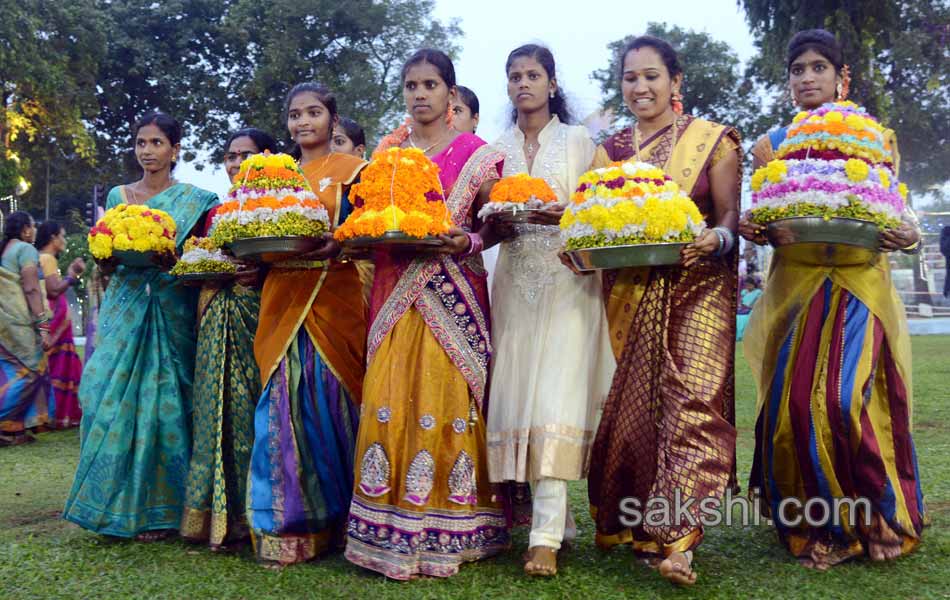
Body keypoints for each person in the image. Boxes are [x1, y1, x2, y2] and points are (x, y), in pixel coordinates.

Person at [740, 29, 925, 570]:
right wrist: (758, 229)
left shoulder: (875, 137)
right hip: (796, 287)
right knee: (796, 405)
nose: (807, 78)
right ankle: (825, 525)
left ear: (842, 77)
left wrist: (908, 235)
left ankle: (881, 515)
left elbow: (898, 209)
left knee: (849, 400)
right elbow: (767, 217)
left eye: (819, 67)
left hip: (859, 283)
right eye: (798, 69)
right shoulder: (770, 145)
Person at [344, 49, 509, 580]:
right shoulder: (386, 159)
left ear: (451, 95)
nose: (420, 94)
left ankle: (457, 526)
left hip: (454, 285)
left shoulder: (476, 154)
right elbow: (368, 221)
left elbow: (496, 223)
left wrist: (469, 239)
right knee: (389, 394)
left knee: (446, 395)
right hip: (394, 291)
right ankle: (384, 526)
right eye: (412, 85)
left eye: (430, 85)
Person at [586, 35, 741, 586]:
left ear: (675, 82)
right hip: (630, 288)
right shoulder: (611, 149)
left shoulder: (713, 141)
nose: (640, 87)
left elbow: (728, 219)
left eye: (651, 76)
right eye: (630, 77)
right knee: (641, 410)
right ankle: (645, 525)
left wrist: (714, 243)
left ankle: (680, 542)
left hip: (699, 285)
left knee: (693, 402)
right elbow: (593, 220)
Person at [486, 44, 615, 577]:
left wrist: (568, 212)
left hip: (568, 284)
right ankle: (556, 522)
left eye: (533, 75)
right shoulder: (495, 149)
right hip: (515, 284)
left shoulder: (582, 141)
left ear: (552, 83)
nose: (523, 84)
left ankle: (544, 538)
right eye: (514, 76)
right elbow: (482, 221)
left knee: (554, 404)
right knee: (521, 405)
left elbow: (607, 206)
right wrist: (497, 219)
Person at [63, 112, 218, 539]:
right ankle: (111, 503)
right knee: (104, 396)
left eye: (156, 143)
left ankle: (164, 510)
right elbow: (107, 259)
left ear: (175, 150)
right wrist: (107, 257)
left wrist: (170, 260)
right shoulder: (119, 195)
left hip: (170, 309)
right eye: (140, 143)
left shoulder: (195, 200)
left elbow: (198, 258)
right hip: (124, 307)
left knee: (168, 402)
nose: (147, 151)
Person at [245, 84, 368, 565]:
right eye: (295, 114)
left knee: (332, 401)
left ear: (333, 120)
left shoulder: (356, 173)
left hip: (333, 297)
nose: (303, 123)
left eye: (313, 113)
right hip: (280, 298)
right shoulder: (272, 175)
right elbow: (249, 229)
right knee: (281, 406)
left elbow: (363, 232)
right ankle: (289, 525)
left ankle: (345, 519)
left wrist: (336, 244)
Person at [180, 127, 277, 550]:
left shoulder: (277, 206)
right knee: (211, 413)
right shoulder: (217, 213)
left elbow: (285, 262)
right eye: (231, 156)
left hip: (257, 316)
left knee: (248, 415)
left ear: (265, 158)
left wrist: (260, 271)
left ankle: (253, 515)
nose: (236, 164)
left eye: (246, 155)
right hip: (215, 314)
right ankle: (212, 516)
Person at [0, 212, 50, 445]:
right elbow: (31, 288)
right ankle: (3, 424)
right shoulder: (26, 249)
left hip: (3, 323)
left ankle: (13, 429)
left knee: (14, 373)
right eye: (33, 225)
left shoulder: (4, 250)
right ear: (26, 230)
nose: (35, 230)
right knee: (33, 371)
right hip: (16, 321)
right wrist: (43, 325)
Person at [35, 221, 85, 429]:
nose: (64, 240)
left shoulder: (42, 258)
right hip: (53, 318)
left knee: (56, 365)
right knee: (58, 366)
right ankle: (57, 415)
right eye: (62, 236)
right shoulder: (46, 258)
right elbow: (53, 290)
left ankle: (55, 415)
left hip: (54, 318)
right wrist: (72, 274)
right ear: (53, 238)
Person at [736, 274, 762, 341]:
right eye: (746, 285)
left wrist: (748, 306)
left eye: (749, 285)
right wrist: (741, 305)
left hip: (752, 310)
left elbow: (758, 305)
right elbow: (741, 301)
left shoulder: (758, 292)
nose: (747, 287)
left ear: (753, 285)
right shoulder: (744, 292)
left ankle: (744, 335)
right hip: (742, 310)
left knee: (746, 318)